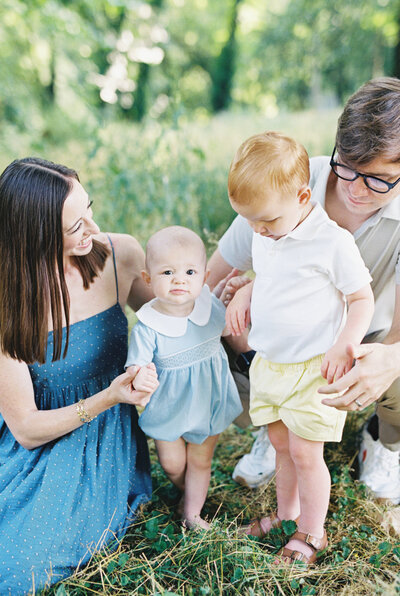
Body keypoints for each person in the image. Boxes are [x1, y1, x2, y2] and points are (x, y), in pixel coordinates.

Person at [208, 77, 400, 504]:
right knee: (217, 316)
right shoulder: (283, 182)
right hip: (289, 338)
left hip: (368, 338)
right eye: (346, 166)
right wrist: (240, 295)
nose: (354, 188)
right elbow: (214, 275)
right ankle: (277, 423)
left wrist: (389, 358)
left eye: (378, 180)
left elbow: (374, 312)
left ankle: (386, 441)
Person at [0, 157, 155, 594]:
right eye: (75, 226)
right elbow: (26, 430)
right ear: (35, 234)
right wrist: (108, 396)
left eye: (89, 208)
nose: (93, 226)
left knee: (21, 562)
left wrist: (225, 297)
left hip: (100, 438)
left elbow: (171, 318)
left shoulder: (120, 254)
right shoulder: (7, 297)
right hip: (37, 433)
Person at [224, 131, 373, 564]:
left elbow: (361, 298)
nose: (257, 231)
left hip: (313, 366)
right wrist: (246, 291)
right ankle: (287, 516)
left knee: (307, 453)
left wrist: (346, 343)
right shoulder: (268, 231)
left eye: (265, 221)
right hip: (271, 362)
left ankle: (311, 532)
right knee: (280, 445)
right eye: (250, 222)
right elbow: (272, 275)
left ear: (304, 195)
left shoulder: (332, 242)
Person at [125, 226, 243, 529]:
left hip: (208, 400)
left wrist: (229, 302)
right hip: (170, 406)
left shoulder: (208, 306)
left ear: (204, 277)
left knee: (200, 460)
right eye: (167, 272)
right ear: (148, 279)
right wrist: (139, 377)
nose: (179, 279)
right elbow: (136, 364)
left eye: (190, 271)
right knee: (173, 464)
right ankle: (187, 490)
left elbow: (229, 331)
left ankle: (191, 512)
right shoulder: (149, 325)